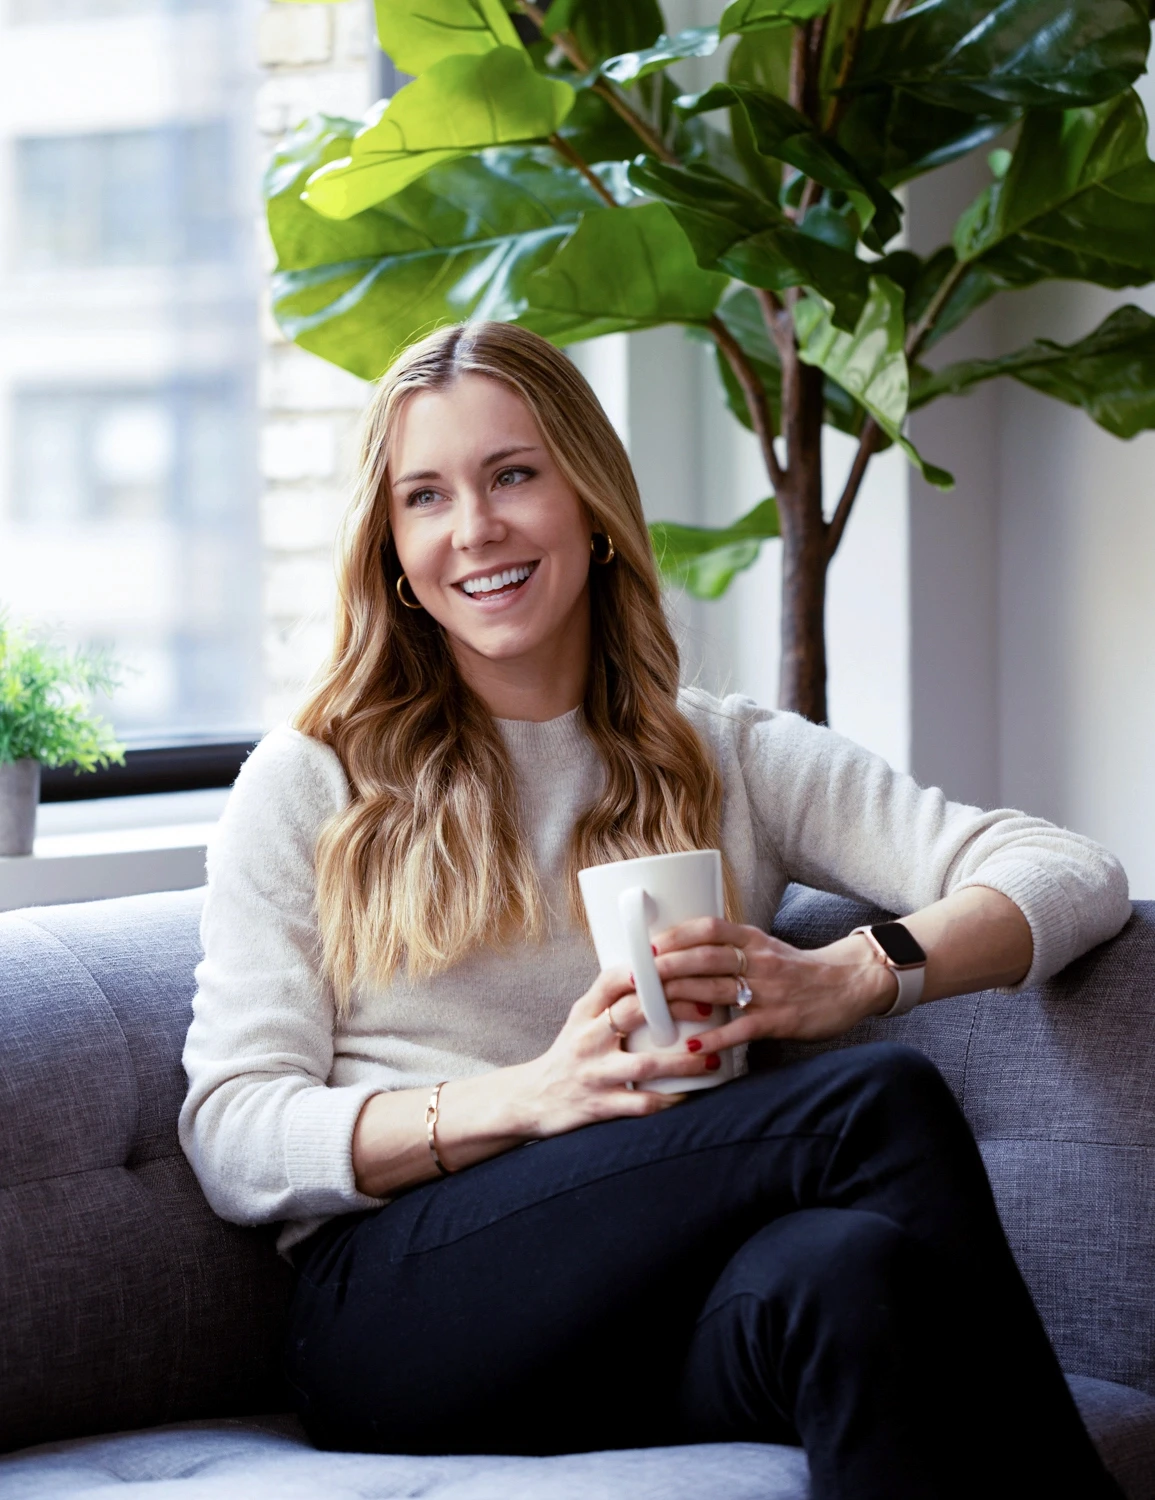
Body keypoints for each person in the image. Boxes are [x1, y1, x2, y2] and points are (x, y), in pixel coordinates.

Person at [180, 321, 1130, 1500]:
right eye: (425, 497)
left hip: (647, 1298)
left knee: (852, 1275)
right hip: (398, 1311)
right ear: (390, 548)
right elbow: (233, 1128)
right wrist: (529, 1099)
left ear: (590, 498)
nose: (473, 528)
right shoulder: (314, 777)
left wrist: (852, 974)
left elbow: (1068, 871)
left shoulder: (724, 753)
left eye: (512, 474)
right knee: (874, 1102)